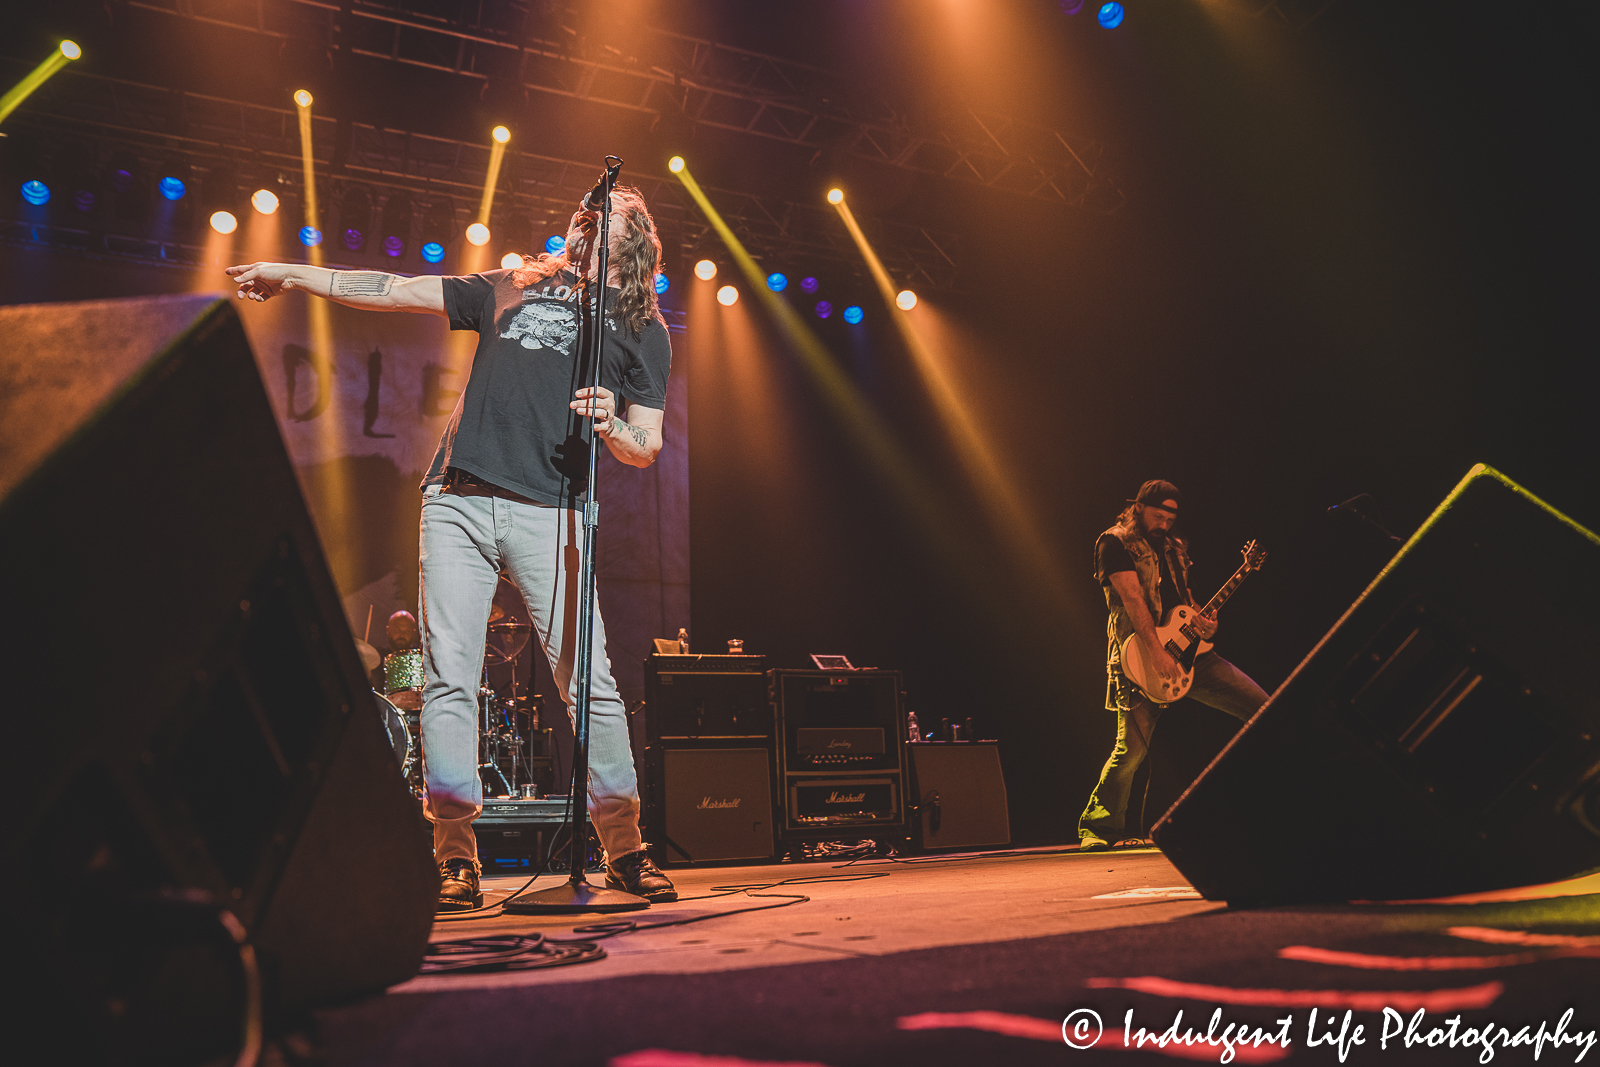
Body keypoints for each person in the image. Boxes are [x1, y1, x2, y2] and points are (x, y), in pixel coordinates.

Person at [226, 185, 678, 910]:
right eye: (582, 208)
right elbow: (397, 288)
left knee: (590, 683)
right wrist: (294, 272)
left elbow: (646, 444)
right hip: (458, 500)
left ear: (634, 238)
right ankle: (455, 858)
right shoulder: (511, 285)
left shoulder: (640, 330)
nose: (585, 213)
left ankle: (625, 848)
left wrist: (612, 428)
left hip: (553, 513)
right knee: (448, 680)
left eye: (606, 211)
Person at [1077, 479, 1268, 851]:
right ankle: (1097, 829)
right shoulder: (1114, 542)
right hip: (1139, 655)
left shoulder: (1175, 547)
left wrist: (1206, 620)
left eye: (1169, 517)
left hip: (1192, 655)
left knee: (1264, 708)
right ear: (1138, 509)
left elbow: (1186, 600)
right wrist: (1156, 652)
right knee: (1131, 750)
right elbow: (1132, 599)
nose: (1163, 523)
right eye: (1157, 515)